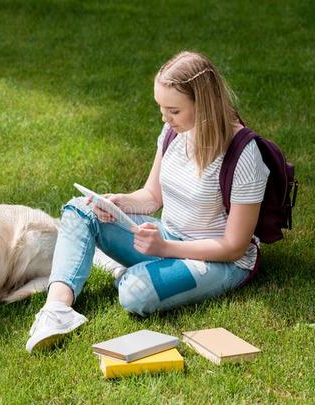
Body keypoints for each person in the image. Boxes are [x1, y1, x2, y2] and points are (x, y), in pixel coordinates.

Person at [26, 51, 270, 353]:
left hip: (220, 261)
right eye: (161, 109)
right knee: (81, 209)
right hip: (169, 237)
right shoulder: (173, 132)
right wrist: (120, 203)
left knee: (134, 293)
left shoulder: (245, 155)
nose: (165, 119)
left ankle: (122, 269)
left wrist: (165, 249)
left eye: (174, 111)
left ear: (203, 104)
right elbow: (152, 196)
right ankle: (57, 310)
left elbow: (234, 246)